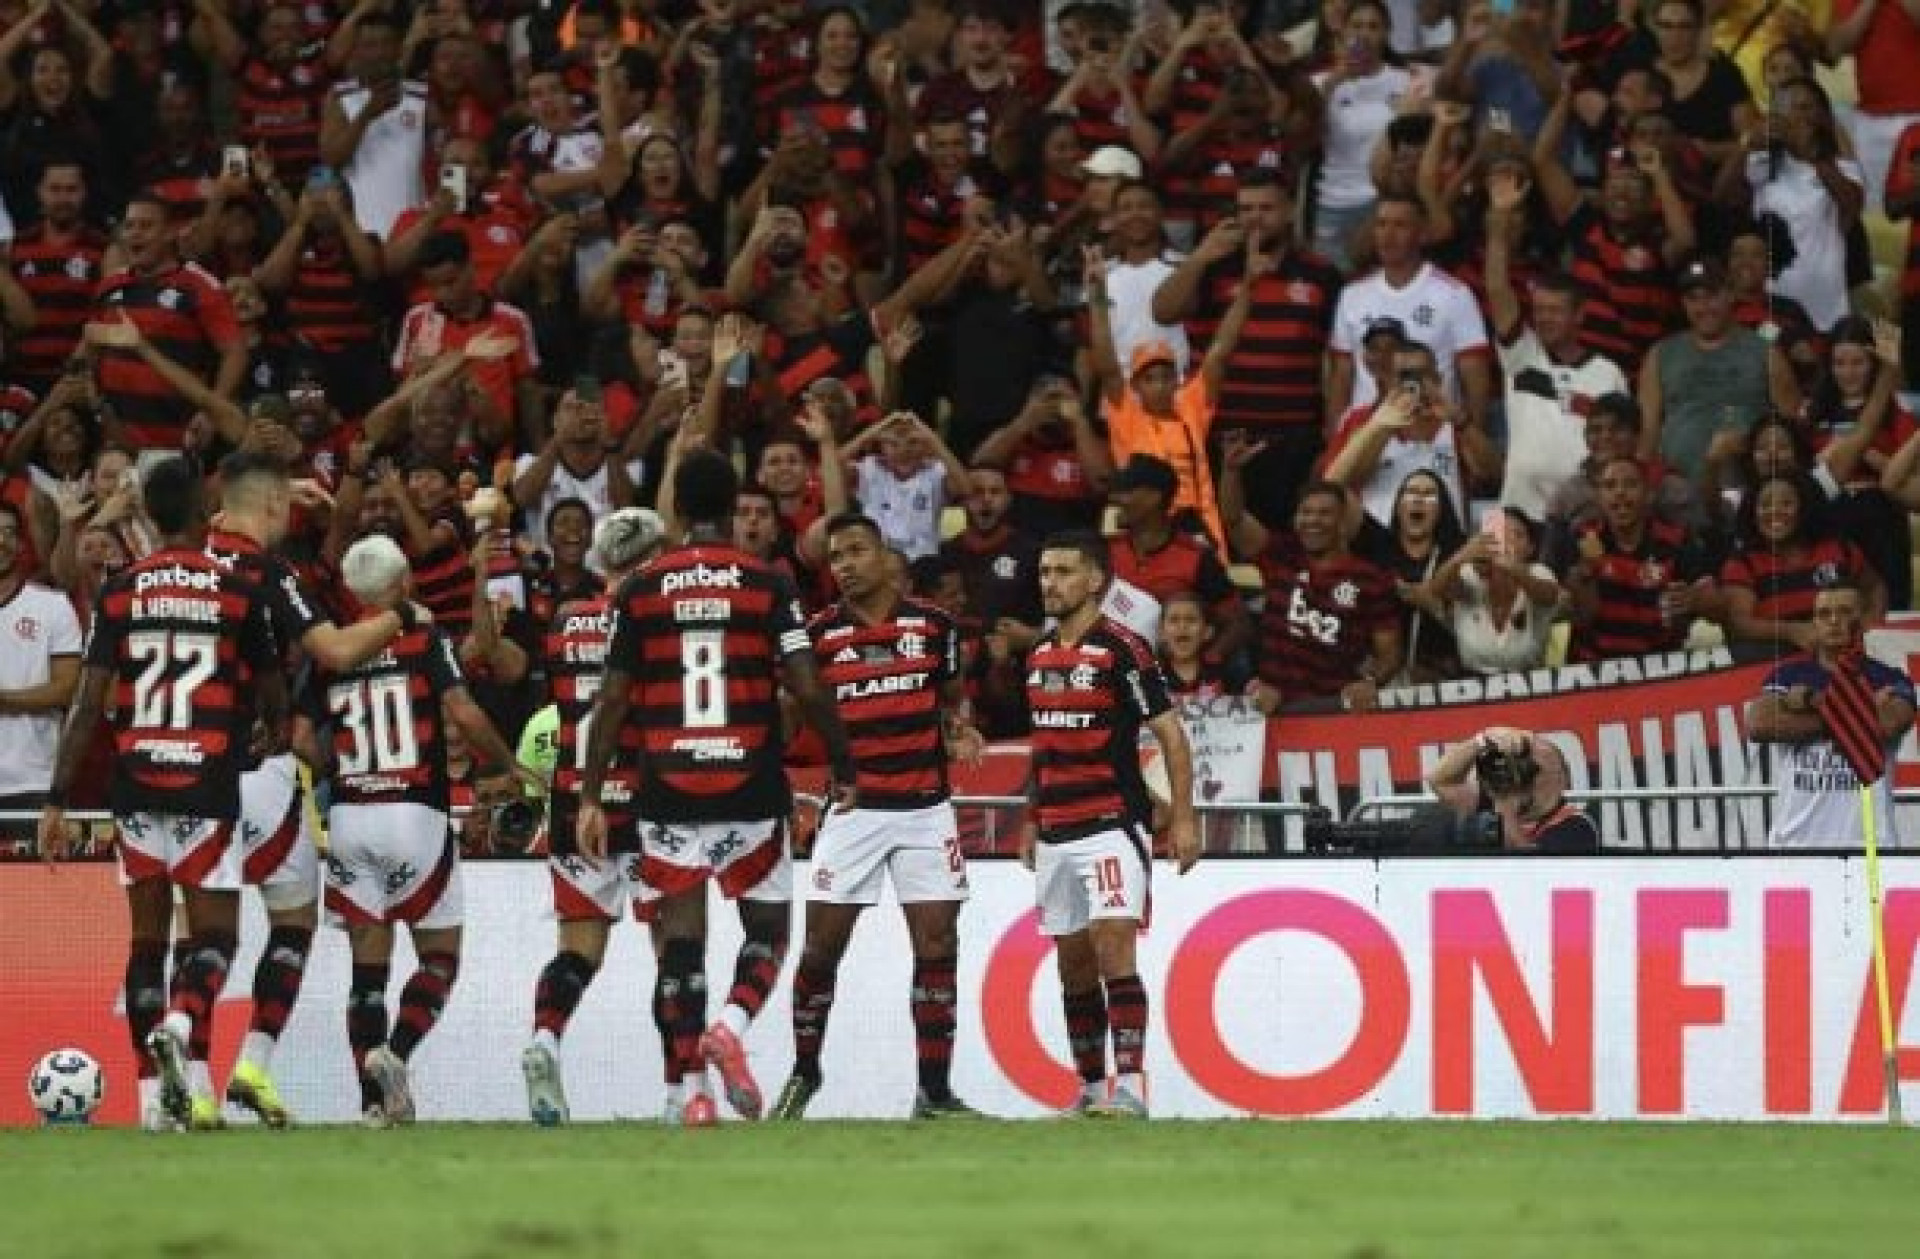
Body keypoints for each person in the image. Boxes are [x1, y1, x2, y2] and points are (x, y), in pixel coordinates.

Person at [577, 449, 857, 1126]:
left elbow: (612, 700)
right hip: (749, 781)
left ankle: (695, 1091)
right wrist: (844, 762)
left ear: (679, 510)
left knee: (681, 944)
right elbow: (807, 684)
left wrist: (590, 794)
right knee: (767, 930)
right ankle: (731, 1025)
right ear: (734, 507)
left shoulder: (640, 589)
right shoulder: (766, 583)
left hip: (666, 783)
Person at [38, 457, 287, 1132]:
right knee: (213, 936)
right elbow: (276, 697)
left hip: (136, 779)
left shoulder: (119, 590)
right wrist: (268, 730)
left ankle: (153, 1103)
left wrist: (57, 799)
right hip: (206, 780)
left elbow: (88, 704)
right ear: (207, 504)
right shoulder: (237, 591)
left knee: (145, 942)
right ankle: (181, 1019)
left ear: (145, 508)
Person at [204, 451, 427, 1127]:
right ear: (274, 507)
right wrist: (403, 617)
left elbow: (223, 507)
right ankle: (252, 1063)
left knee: (199, 934)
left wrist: (275, 489)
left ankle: (184, 1081)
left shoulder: (188, 556)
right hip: (262, 767)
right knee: (291, 925)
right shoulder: (272, 574)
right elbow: (332, 652)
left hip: (191, 770)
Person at [770, 512, 987, 1121]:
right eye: (834, 557)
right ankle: (805, 1072)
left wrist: (958, 729)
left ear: (885, 556)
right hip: (854, 810)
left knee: (939, 941)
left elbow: (949, 702)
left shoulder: (935, 627)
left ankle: (934, 1091)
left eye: (855, 552)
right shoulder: (816, 636)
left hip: (925, 810)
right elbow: (789, 714)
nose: (843, 565)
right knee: (820, 950)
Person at [316, 533, 537, 1128]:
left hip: (349, 811)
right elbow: (463, 713)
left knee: (367, 967)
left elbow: (303, 740)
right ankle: (396, 1053)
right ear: (405, 584)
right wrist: (506, 767)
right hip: (415, 810)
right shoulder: (421, 637)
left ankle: (371, 1106)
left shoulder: (333, 645)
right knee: (439, 956)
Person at [1022, 529, 1200, 1119]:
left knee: (1112, 946)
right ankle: (1090, 1089)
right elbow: (1043, 745)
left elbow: (1171, 733)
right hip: (1053, 828)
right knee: (1072, 961)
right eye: (1045, 572)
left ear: (1095, 580)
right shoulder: (1040, 654)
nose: (1050, 583)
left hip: (1109, 823)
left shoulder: (1125, 649)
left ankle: (1131, 1088)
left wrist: (1184, 817)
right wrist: (1029, 816)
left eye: (1064, 572)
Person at [520, 508, 666, 1126]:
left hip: (574, 796)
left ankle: (546, 1037)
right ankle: (679, 1087)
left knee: (578, 949)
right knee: (674, 951)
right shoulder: (652, 619)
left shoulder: (563, 622)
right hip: (647, 793)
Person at [1748, 582, 1917, 848]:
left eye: (1845, 611)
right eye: (1824, 614)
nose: (1834, 621)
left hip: (1870, 848)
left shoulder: (1892, 678)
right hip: (1794, 847)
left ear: (1862, 619)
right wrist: (1861, 711)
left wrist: (1811, 701)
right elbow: (1759, 724)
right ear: (1814, 623)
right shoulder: (1787, 675)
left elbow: (1888, 725)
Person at [0, 499, 80, 842]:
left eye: (8, 533)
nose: (1, 541)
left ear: (20, 544)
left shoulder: (52, 606)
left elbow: (66, 688)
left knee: (31, 894)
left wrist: (3, 699)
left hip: (32, 781)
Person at [1426, 727, 1601, 852]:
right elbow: (1440, 782)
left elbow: (1530, 872)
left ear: (1562, 779)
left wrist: (1506, 807)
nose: (1525, 771)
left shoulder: (1576, 824)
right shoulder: (1497, 796)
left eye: (1537, 767)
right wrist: (1481, 741)